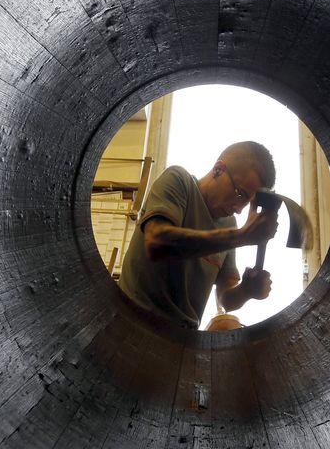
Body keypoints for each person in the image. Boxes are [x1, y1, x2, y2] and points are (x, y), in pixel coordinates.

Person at [118, 141, 279, 329]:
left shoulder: (229, 225)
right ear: (219, 169)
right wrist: (242, 236)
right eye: (240, 194)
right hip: (131, 322)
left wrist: (246, 291)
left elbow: (225, 299)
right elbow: (157, 243)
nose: (239, 210)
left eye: (247, 203)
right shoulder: (178, 181)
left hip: (182, 340)